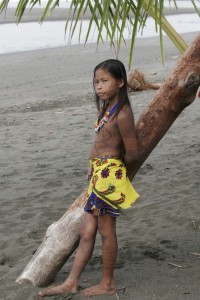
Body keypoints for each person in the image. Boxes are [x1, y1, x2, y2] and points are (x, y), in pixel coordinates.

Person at [38, 59, 140, 298]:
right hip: (98, 175)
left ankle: (107, 283)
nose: (99, 86)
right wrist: (92, 163)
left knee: (106, 230)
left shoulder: (123, 114)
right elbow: (100, 142)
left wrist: (112, 170)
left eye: (105, 81)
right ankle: (72, 282)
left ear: (121, 82)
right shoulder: (106, 109)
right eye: (96, 82)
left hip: (108, 176)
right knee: (86, 231)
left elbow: (133, 152)